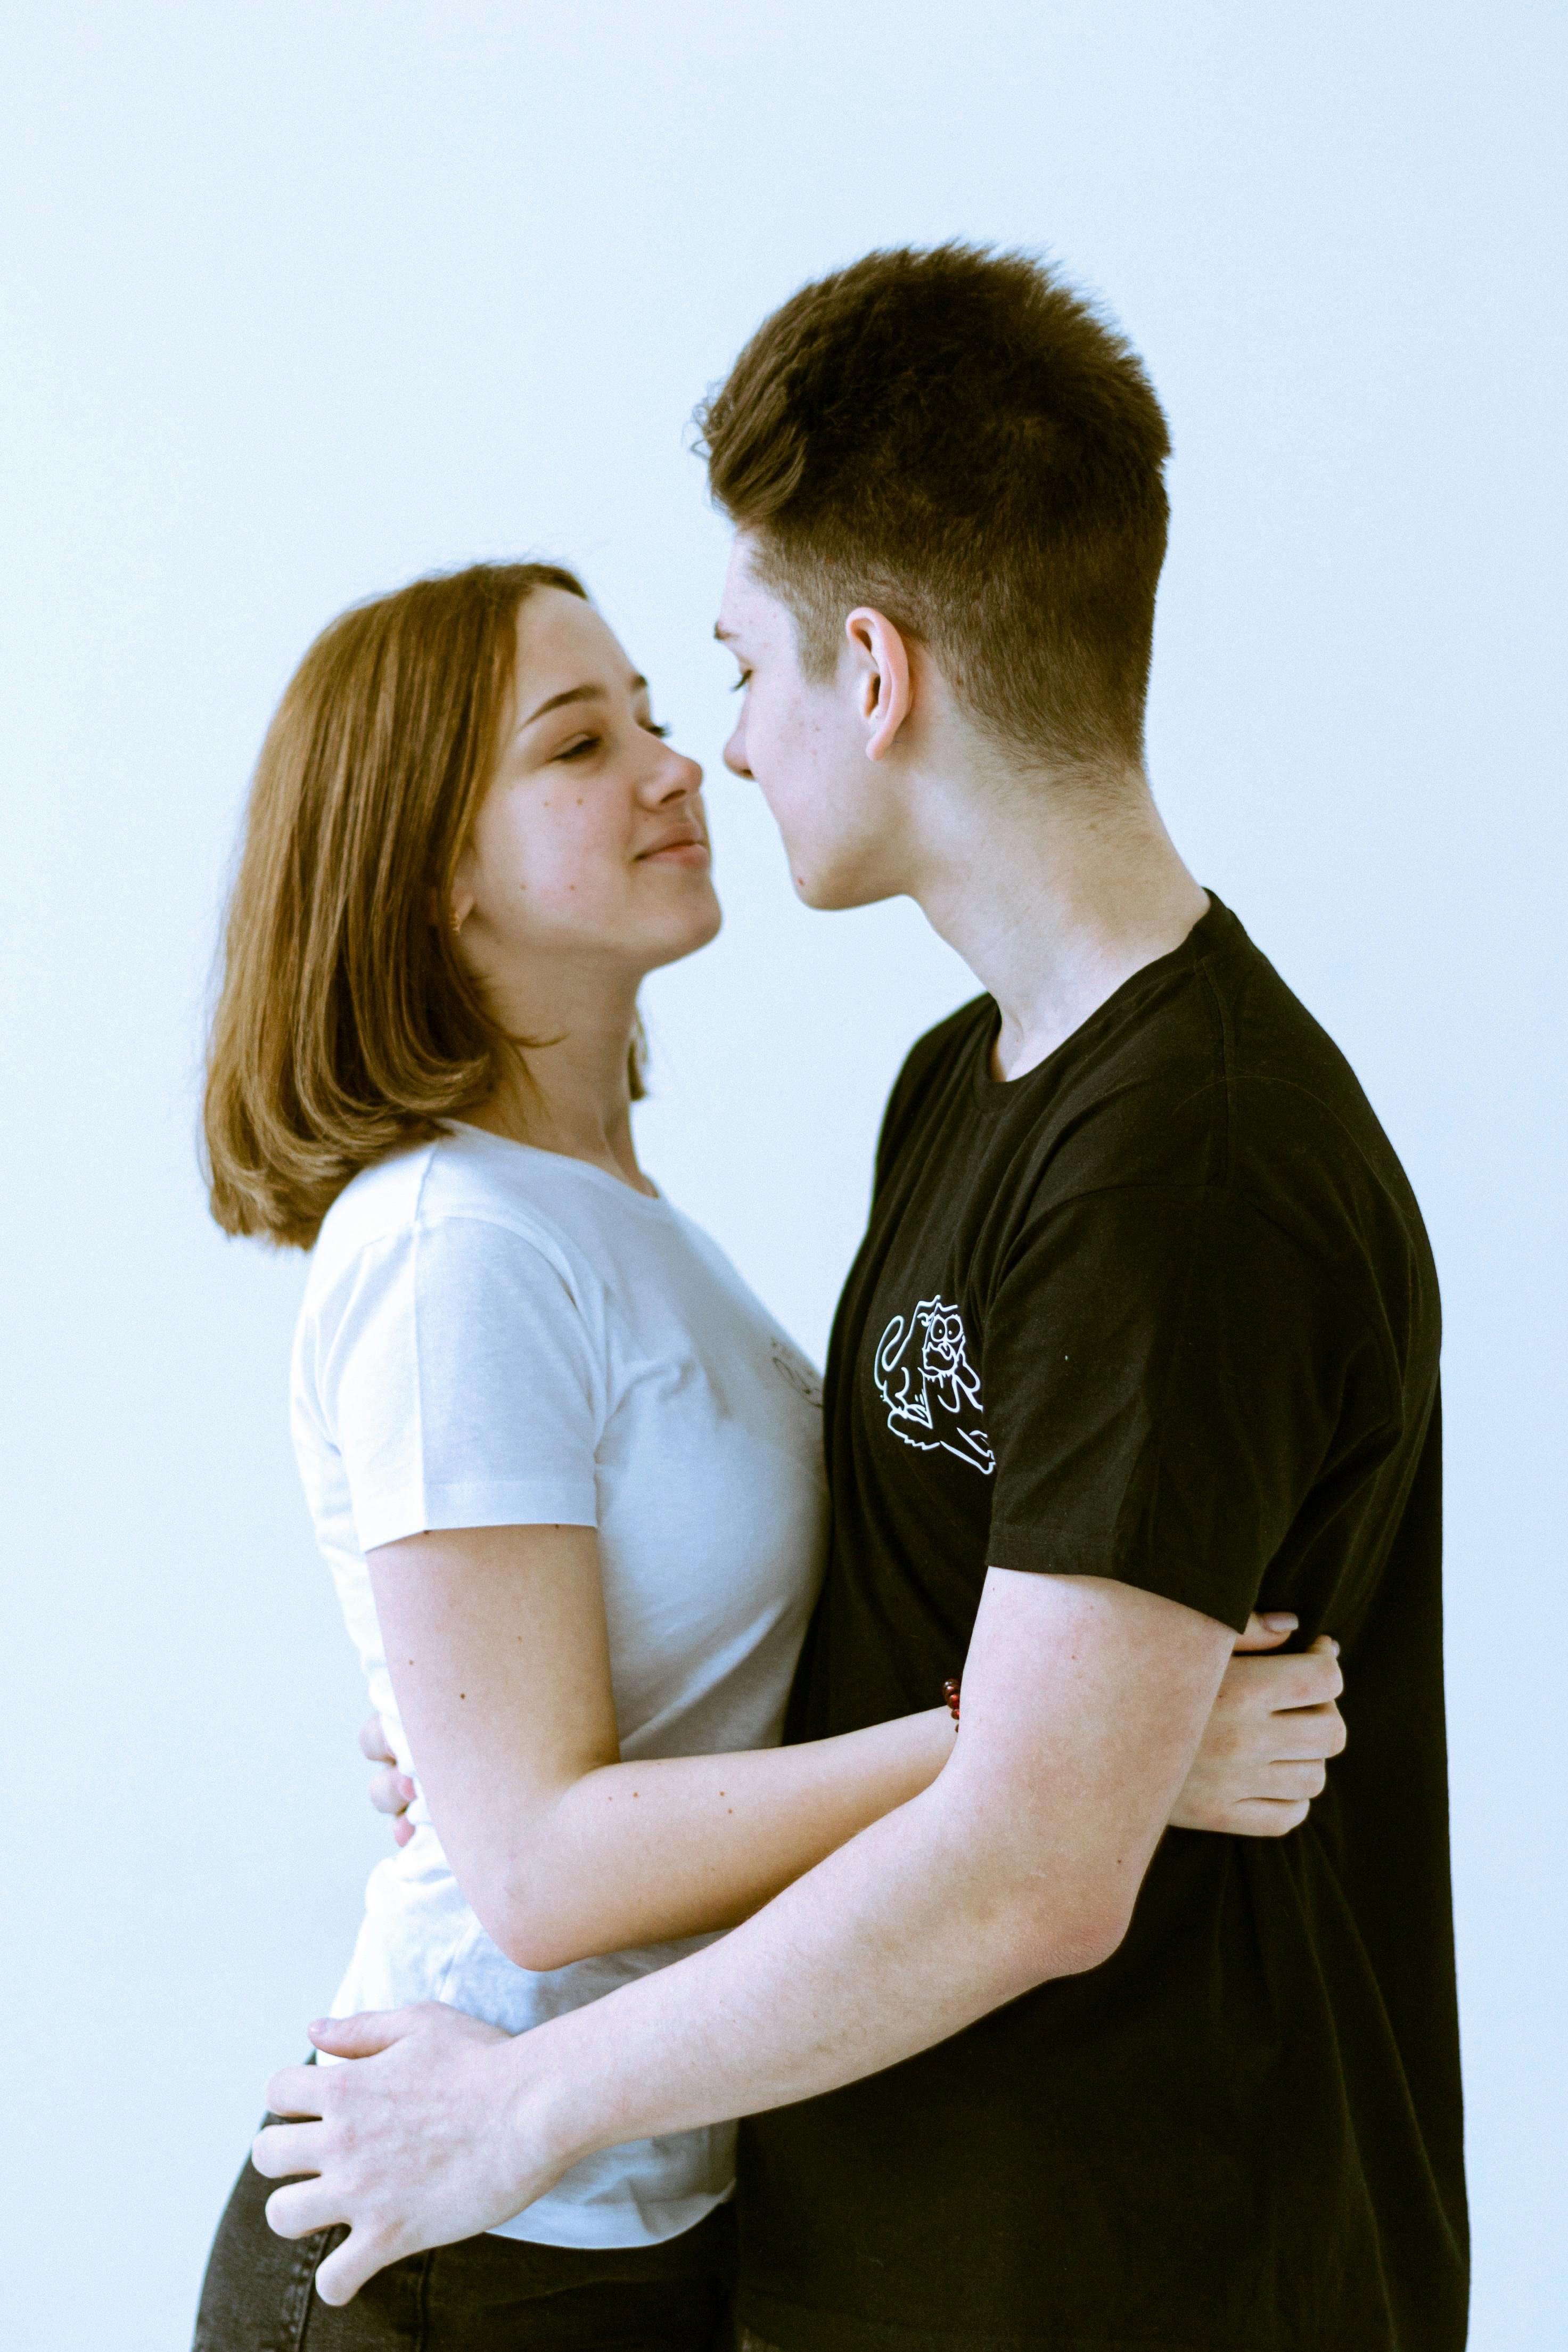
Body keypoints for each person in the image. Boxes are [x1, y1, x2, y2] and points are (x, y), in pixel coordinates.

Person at [251, 245, 1465, 2352]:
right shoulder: (956, 1087)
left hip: (1148, 2273)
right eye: (599, 730)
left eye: (724, 672)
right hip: (855, 2252)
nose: (710, 751)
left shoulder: (1185, 1161)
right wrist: (518, 1745)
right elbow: (928, 1669)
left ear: (875, 672)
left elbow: (1029, 1866)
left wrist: (523, 2090)